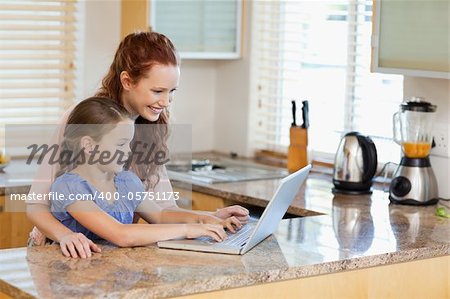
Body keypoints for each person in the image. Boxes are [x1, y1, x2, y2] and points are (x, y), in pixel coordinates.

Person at [26, 32, 249, 258]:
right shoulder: (84, 121)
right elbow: (36, 205)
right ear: (127, 81)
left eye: (172, 92)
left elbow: (163, 211)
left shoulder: (149, 130)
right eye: (157, 91)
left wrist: (210, 217)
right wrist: (66, 235)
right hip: (64, 251)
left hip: (111, 255)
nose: (165, 102)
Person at [50, 97, 241, 246]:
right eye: (121, 144)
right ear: (89, 146)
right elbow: (120, 234)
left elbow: (160, 216)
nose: (129, 151)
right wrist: (188, 229)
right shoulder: (69, 187)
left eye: (129, 143)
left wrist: (207, 218)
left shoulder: (126, 181)